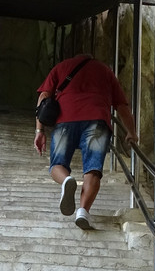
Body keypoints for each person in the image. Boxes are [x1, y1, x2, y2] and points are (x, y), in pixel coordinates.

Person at [34, 53, 139, 230]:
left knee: (56, 165)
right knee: (93, 169)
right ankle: (83, 211)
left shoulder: (61, 67)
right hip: (97, 121)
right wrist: (131, 132)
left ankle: (66, 180)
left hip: (65, 120)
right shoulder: (106, 71)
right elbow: (121, 105)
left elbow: (44, 96)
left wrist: (39, 130)